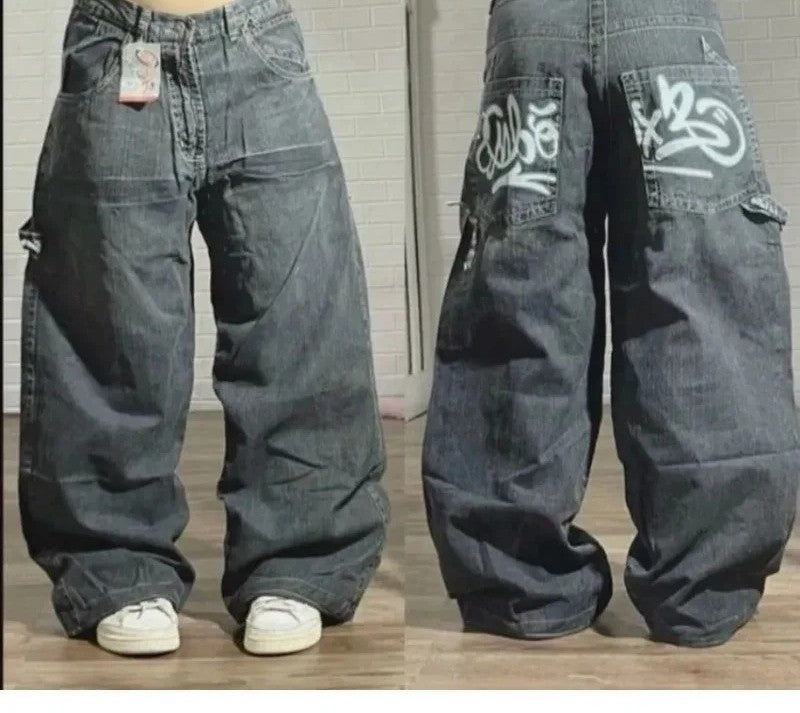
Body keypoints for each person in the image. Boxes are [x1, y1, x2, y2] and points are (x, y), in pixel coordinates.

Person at [422, 0, 800, 648]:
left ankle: (520, 587)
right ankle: (702, 588)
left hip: (530, 31)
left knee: (521, 297)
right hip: (668, 29)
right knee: (696, 301)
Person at [17, 0, 389, 656]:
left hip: (259, 41)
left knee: (299, 311)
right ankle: (116, 564)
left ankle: (300, 556)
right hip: (116, 45)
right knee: (113, 321)